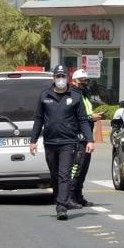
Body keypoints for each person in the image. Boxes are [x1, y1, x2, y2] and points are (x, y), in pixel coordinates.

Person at [30, 65, 94, 220]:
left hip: (68, 142)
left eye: (63, 76)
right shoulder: (44, 95)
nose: (60, 79)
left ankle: (62, 206)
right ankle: (59, 197)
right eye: (58, 76)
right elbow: (38, 119)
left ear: (67, 78)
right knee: (55, 175)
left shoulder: (76, 96)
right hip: (50, 142)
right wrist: (33, 140)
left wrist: (89, 140)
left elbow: (83, 120)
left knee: (64, 174)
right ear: (53, 78)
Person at [70, 69, 103, 207]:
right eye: (81, 80)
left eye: (86, 80)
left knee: (83, 169)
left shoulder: (84, 95)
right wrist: (90, 117)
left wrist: (93, 115)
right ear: (73, 81)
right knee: (76, 169)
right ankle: (69, 197)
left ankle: (78, 196)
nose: (84, 83)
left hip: (86, 136)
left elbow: (86, 114)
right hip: (77, 137)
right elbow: (74, 117)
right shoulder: (72, 95)